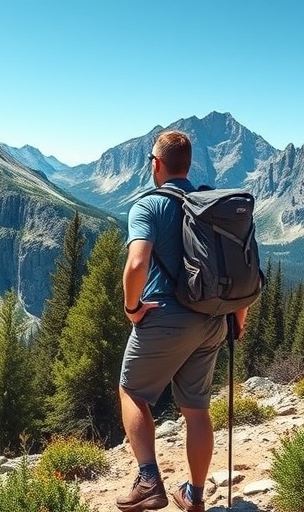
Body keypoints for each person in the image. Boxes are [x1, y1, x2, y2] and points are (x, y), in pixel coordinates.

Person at [115, 130, 247, 512]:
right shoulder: (212, 205)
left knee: (133, 393)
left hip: (165, 318)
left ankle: (148, 481)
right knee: (196, 409)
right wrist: (237, 316)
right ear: (189, 165)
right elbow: (240, 267)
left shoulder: (147, 206)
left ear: (156, 164)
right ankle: (195, 495)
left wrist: (132, 308)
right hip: (212, 321)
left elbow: (137, 263)